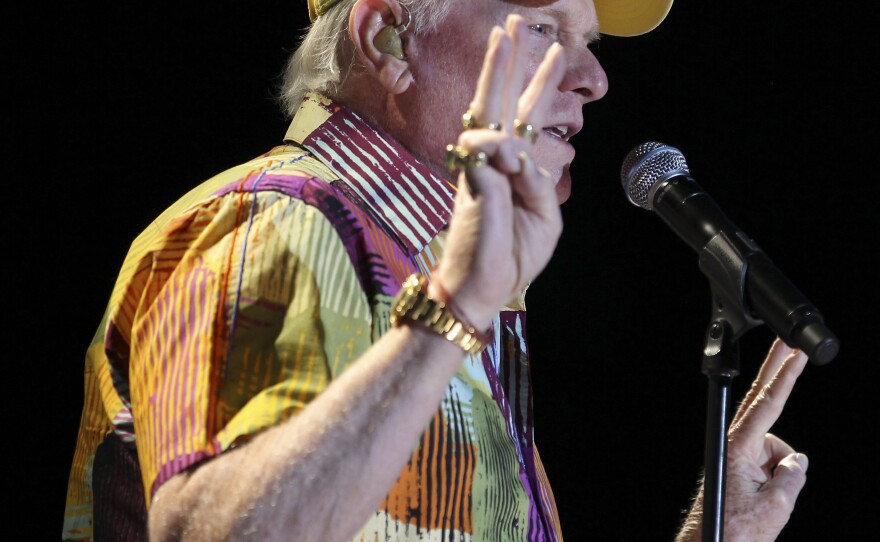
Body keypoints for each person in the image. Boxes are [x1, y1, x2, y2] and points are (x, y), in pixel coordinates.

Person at [63, 0, 810, 540]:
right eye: (545, 28)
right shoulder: (277, 225)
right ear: (387, 39)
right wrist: (453, 305)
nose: (592, 78)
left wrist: (716, 533)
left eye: (590, 42)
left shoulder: (434, 283)